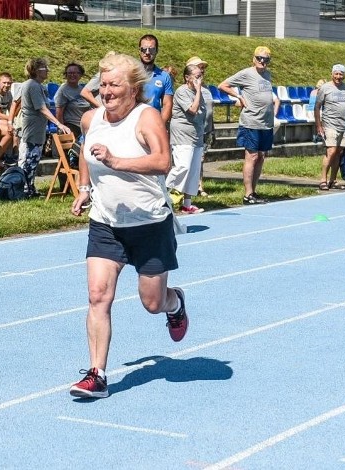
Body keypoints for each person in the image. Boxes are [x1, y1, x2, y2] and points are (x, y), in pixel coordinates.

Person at [68, 53, 188, 399]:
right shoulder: (91, 120)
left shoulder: (145, 117)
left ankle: (175, 303)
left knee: (152, 302)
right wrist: (84, 188)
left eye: (113, 85)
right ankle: (97, 374)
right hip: (106, 222)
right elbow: (87, 153)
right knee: (97, 296)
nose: (105, 91)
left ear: (133, 89)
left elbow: (163, 161)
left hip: (149, 223)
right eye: (102, 84)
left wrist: (117, 161)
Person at [218, 46, 279, 205]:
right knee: (251, 156)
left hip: (265, 123)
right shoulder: (246, 73)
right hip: (251, 121)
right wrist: (238, 96)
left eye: (265, 59)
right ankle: (247, 194)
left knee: (261, 156)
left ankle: (254, 190)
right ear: (254, 59)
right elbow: (223, 85)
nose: (262, 62)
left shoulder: (267, 75)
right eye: (259, 58)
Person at [81, 35, 174, 126]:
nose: (147, 52)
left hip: (153, 122)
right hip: (128, 122)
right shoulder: (129, 71)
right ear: (139, 50)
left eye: (152, 49)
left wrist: (160, 125)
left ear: (157, 51)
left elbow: (167, 105)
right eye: (144, 49)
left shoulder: (164, 76)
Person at [19, 58, 71, 198]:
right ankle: (27, 190)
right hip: (33, 127)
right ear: (35, 70)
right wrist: (58, 124)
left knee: (33, 158)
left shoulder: (37, 85)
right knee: (31, 158)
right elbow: (42, 108)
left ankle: (30, 188)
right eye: (44, 68)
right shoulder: (33, 86)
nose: (47, 70)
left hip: (37, 127)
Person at [166, 64, 207, 214]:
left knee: (193, 172)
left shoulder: (199, 92)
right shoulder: (182, 92)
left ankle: (187, 204)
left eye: (200, 76)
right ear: (187, 78)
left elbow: (203, 114)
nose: (199, 79)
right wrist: (198, 91)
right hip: (182, 135)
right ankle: (165, 194)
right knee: (182, 167)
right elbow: (193, 110)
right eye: (196, 76)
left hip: (196, 136)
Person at [314, 64, 345, 191]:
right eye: (336, 74)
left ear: (344, 75)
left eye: (341, 74)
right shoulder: (325, 88)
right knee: (330, 152)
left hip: (344, 126)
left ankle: (333, 180)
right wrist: (319, 125)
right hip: (329, 125)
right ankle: (323, 180)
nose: (338, 77)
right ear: (332, 74)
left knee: (338, 153)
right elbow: (317, 107)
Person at [186, 56, 214, 198]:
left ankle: (199, 186)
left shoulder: (207, 89)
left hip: (207, 129)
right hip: (194, 131)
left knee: (201, 159)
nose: (202, 70)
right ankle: (189, 189)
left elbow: (209, 110)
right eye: (199, 67)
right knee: (191, 160)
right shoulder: (187, 90)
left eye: (203, 68)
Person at [54, 62, 91, 138]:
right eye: (69, 73)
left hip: (85, 127)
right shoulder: (63, 90)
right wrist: (62, 130)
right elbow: (59, 113)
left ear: (80, 75)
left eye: (75, 73)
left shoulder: (82, 89)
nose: (72, 75)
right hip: (71, 128)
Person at [0, 72, 16, 164]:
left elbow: (11, 109)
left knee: (16, 125)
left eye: (9, 83)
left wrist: (13, 119)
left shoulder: (9, 94)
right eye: (4, 83)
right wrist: (10, 118)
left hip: (3, 119)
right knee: (10, 127)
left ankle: (13, 154)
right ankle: (0, 156)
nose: (7, 85)